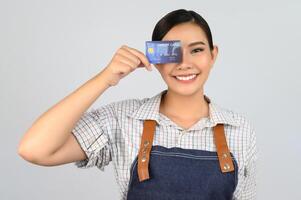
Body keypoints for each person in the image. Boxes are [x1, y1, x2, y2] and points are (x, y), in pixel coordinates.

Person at [18, 9, 257, 200]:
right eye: (171, 52)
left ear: (213, 55)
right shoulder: (123, 119)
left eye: (196, 50)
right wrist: (105, 78)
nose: (185, 63)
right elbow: (34, 149)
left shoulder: (239, 129)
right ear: (155, 58)